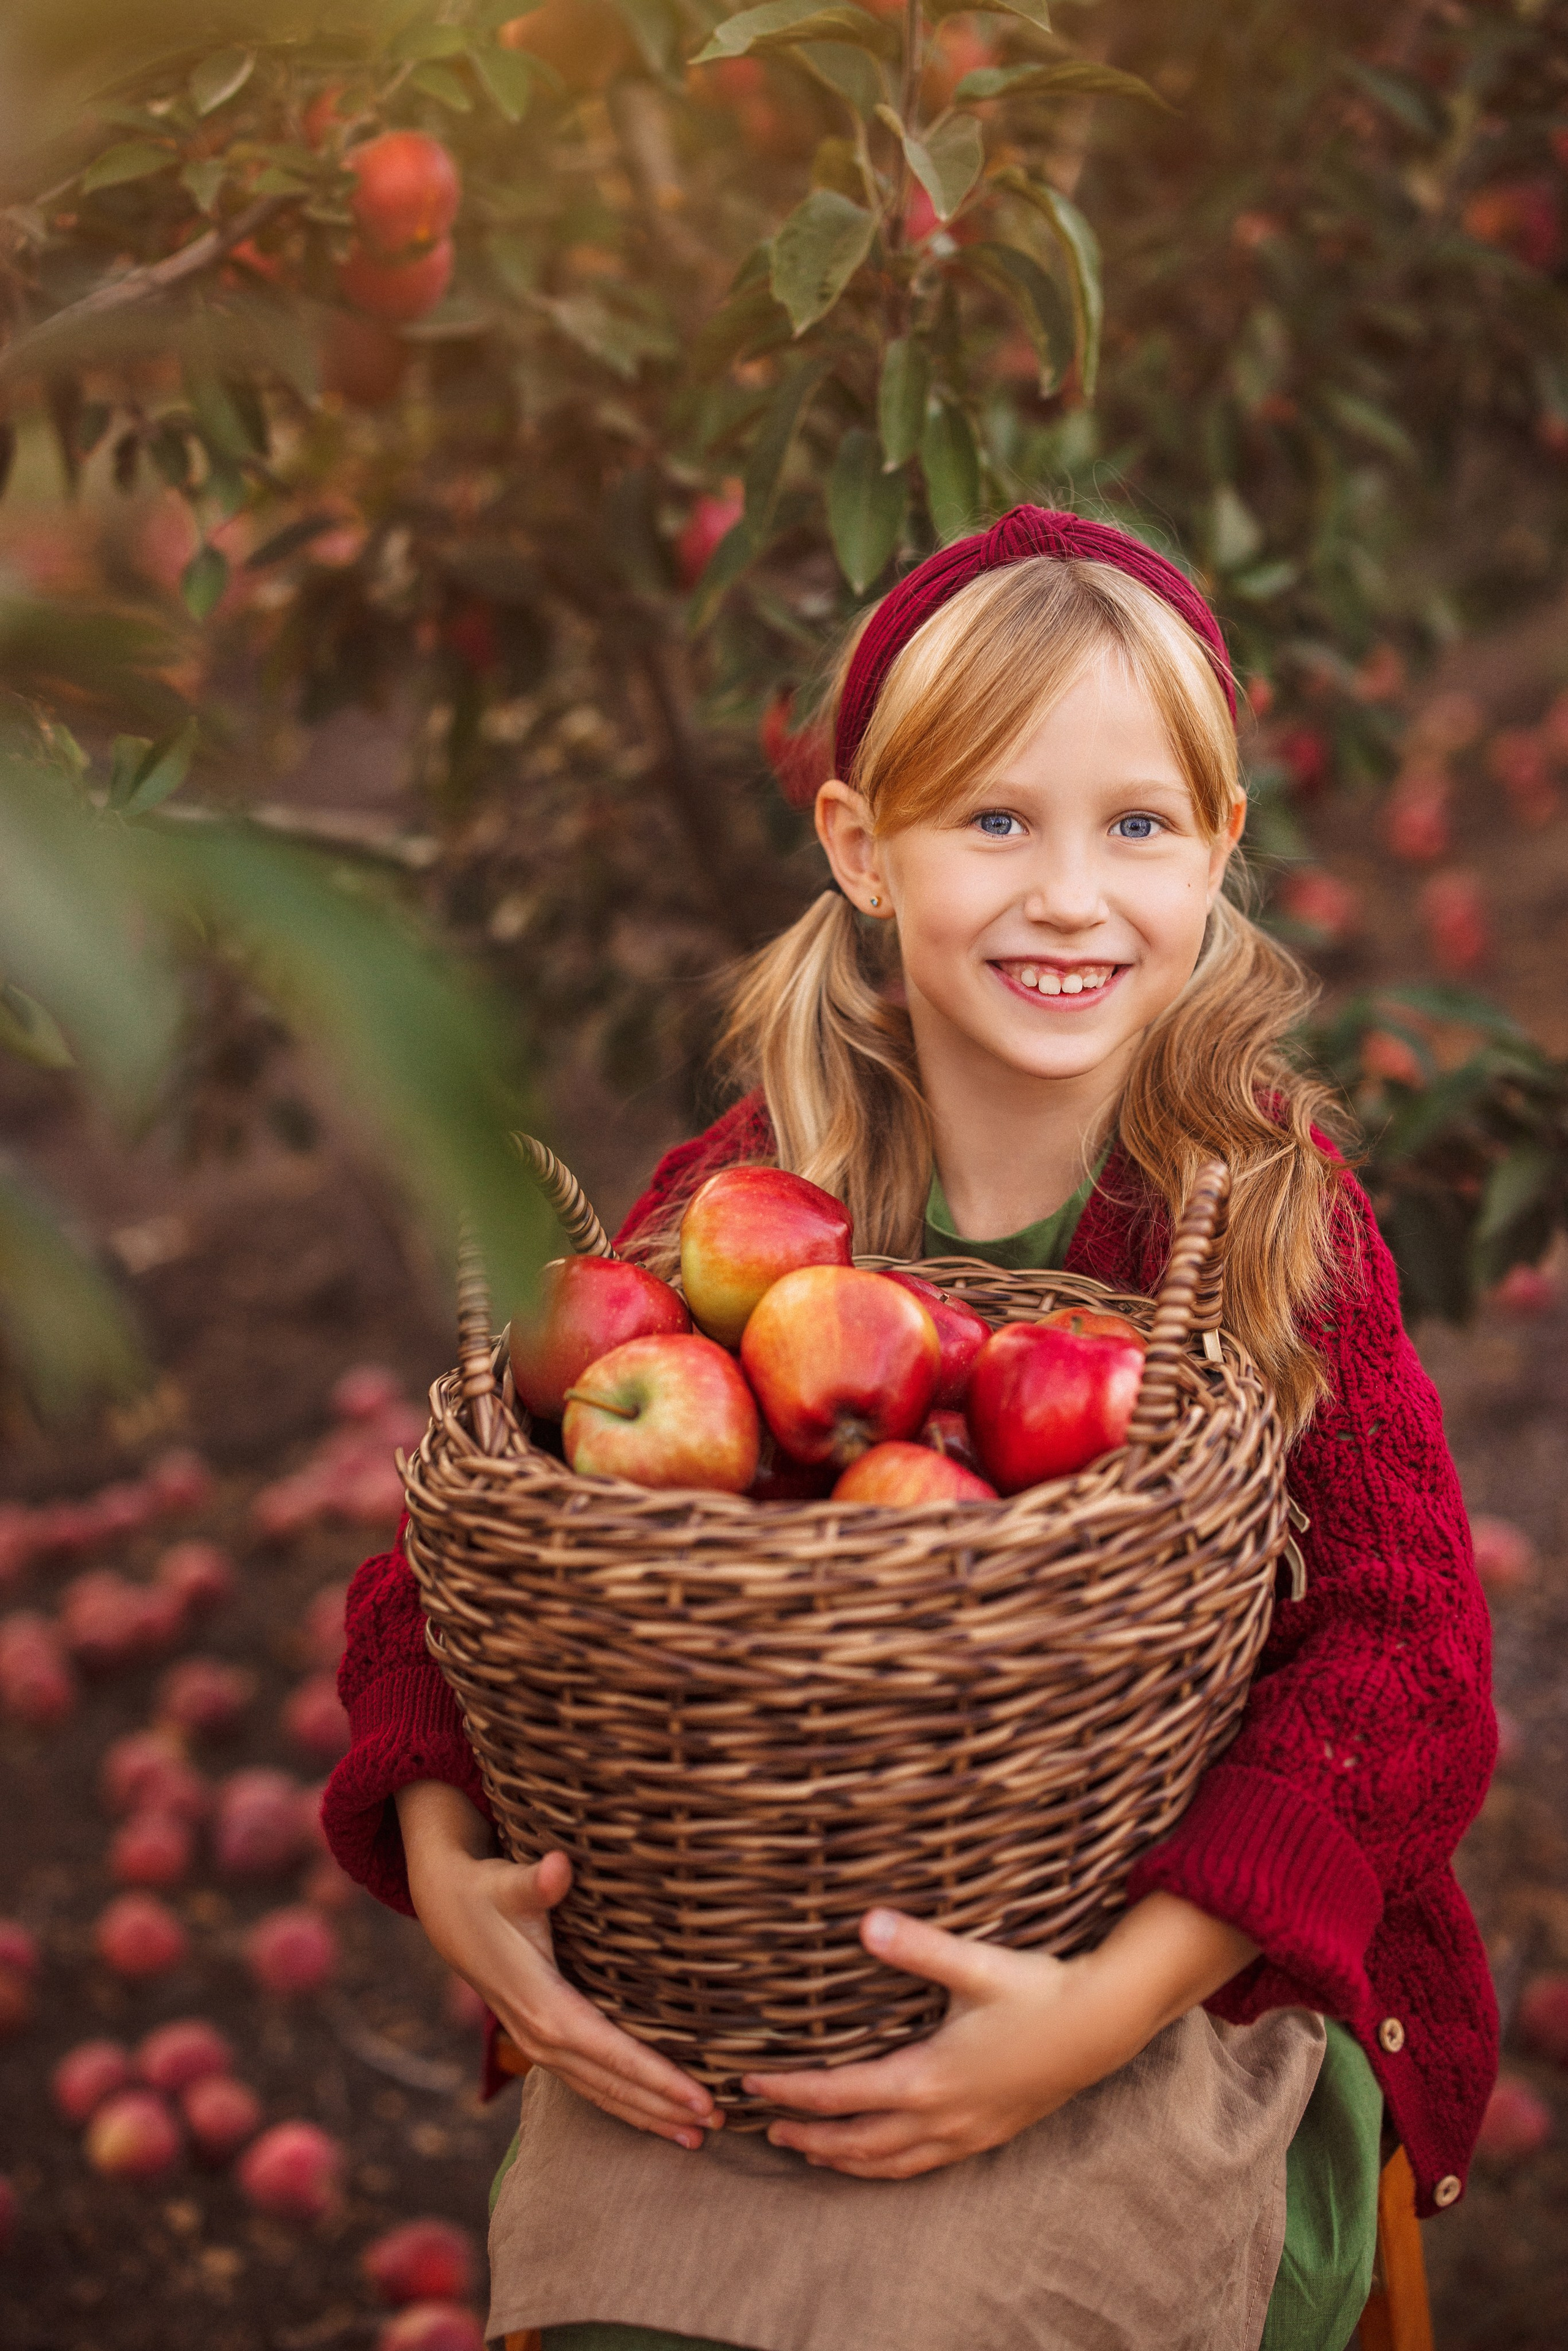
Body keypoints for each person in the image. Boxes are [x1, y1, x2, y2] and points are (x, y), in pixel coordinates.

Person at [323, 508, 1498, 2351]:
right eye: (994, 821)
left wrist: (1102, 2011)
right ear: (863, 848)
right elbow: (469, 1561)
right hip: (755, 1978)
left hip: (1176, 1983)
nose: (1069, 894)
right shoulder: (748, 1203)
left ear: (1218, 853)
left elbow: (1408, 1661)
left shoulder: (1263, 1219)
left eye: (1136, 825)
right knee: (626, 2290)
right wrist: (446, 1854)